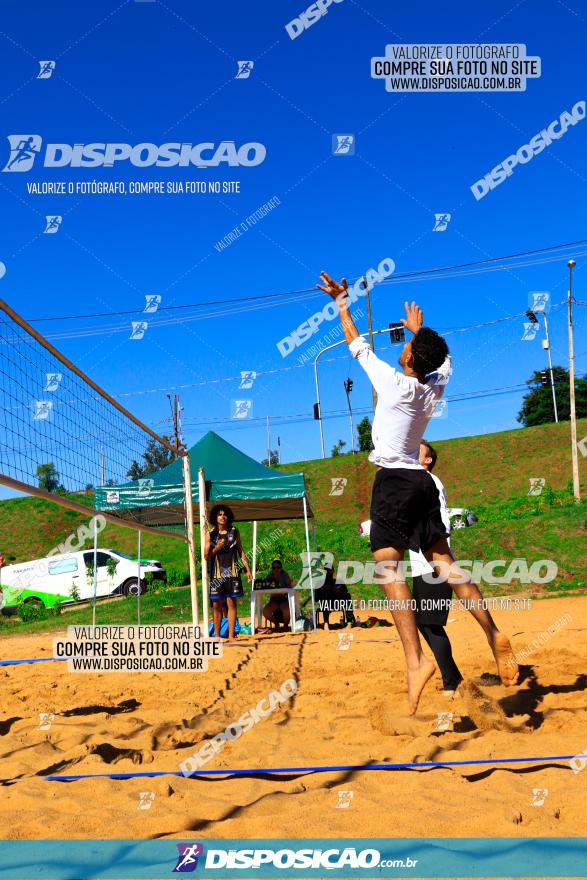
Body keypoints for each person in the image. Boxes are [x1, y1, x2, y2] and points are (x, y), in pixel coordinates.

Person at [316, 271, 518, 714]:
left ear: (409, 358)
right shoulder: (431, 386)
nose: (403, 346)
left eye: (406, 346)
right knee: (445, 565)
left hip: (394, 481)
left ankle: (415, 662)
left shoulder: (396, 382)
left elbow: (356, 345)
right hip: (424, 484)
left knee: (389, 571)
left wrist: (342, 303)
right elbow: (446, 363)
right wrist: (419, 334)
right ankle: (492, 632)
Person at [410, 440, 462, 695]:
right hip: (421, 565)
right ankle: (454, 677)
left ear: (428, 459)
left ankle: (451, 682)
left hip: (435, 563)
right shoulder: (416, 481)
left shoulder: (428, 480)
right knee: (423, 622)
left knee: (430, 623)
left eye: (416, 450)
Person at [204, 505, 252, 641]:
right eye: (219, 514)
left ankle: (231, 636)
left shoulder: (234, 531)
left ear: (228, 516)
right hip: (217, 576)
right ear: (215, 517)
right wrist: (217, 548)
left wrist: (248, 570)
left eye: (224, 514)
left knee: (232, 604)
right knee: (216, 605)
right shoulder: (210, 534)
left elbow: (241, 551)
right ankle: (217, 636)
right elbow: (206, 556)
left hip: (232, 574)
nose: (222, 516)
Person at [314, 562, 357, 627]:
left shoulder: (339, 582)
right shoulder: (319, 584)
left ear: (333, 571)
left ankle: (349, 623)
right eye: (326, 570)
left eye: (329, 570)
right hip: (326, 605)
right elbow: (316, 599)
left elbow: (346, 595)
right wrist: (324, 591)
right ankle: (326, 623)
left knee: (347, 597)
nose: (328, 572)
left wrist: (336, 591)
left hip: (338, 604)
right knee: (325, 598)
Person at [262, 560, 293, 630]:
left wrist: (288, 581)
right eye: (274, 568)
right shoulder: (269, 576)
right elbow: (264, 584)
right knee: (265, 611)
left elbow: (289, 585)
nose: (276, 569)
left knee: (287, 611)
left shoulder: (284, 575)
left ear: (281, 568)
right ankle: (276, 624)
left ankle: (285, 625)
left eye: (278, 567)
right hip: (274, 600)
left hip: (284, 600)